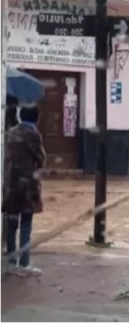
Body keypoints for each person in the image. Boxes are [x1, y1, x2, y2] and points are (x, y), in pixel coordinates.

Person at [3, 105, 46, 276]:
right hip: (27, 186)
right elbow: (41, 158)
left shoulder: (12, 132)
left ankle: (12, 262)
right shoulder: (33, 134)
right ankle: (24, 263)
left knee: (12, 222)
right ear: (36, 118)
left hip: (11, 185)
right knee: (26, 223)